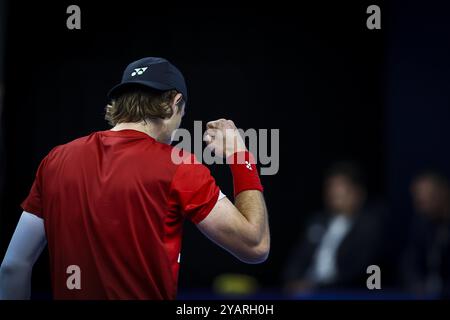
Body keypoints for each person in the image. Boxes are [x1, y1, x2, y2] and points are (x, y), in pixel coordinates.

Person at [0, 57, 270, 299]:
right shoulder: (180, 167)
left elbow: (13, 266)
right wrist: (239, 155)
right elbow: (255, 246)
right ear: (176, 102)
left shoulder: (55, 160)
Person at [283, 162, 382, 294]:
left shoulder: (369, 226)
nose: (334, 194)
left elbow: (361, 269)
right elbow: (298, 257)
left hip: (342, 292)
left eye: (341, 188)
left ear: (358, 193)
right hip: (305, 292)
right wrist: (292, 280)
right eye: (330, 187)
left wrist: (318, 287)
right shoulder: (317, 221)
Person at [401, 170, 450, 298]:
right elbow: (410, 261)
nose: (419, 205)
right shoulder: (421, 223)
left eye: (426, 198)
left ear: (443, 193)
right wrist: (416, 283)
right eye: (417, 199)